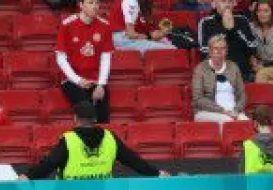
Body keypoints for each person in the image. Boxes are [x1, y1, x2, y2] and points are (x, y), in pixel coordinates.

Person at [25, 101, 166, 178]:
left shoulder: (69, 140)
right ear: (95, 119)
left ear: (75, 118)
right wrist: (156, 173)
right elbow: (133, 160)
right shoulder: (110, 137)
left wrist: (28, 176)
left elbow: (49, 163)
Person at [57, 0, 115, 122]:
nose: (95, 6)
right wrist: (78, 80)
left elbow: (106, 58)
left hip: (95, 80)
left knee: (103, 117)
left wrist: (101, 85)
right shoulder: (67, 24)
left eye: (97, 3)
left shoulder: (105, 26)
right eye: (90, 2)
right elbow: (60, 58)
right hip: (72, 80)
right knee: (87, 111)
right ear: (81, 5)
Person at [193, 35, 249, 123]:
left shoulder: (233, 67)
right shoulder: (200, 69)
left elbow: (242, 94)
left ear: (226, 51)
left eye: (222, 48)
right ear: (210, 51)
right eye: (216, 48)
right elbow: (198, 99)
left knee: (246, 122)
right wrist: (223, 111)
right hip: (207, 111)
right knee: (228, 121)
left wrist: (236, 110)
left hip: (233, 111)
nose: (219, 51)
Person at [198, 0, 258, 79]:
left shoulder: (242, 20)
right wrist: (225, 33)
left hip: (242, 71)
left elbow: (253, 47)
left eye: (230, 1)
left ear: (234, 4)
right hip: (217, 72)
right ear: (214, 4)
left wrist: (232, 30)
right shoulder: (206, 22)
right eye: (223, 1)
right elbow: (204, 49)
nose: (227, 5)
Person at [112, 0, 176, 52]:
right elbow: (130, 34)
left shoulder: (144, 6)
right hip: (122, 40)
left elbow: (144, 33)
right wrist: (150, 37)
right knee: (171, 50)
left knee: (168, 44)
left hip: (130, 40)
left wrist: (160, 34)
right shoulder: (131, 2)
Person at [242, 105, 273, 173]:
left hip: (256, 183)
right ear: (270, 121)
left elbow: (241, 175)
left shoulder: (248, 144)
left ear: (255, 123)